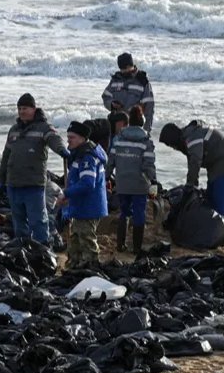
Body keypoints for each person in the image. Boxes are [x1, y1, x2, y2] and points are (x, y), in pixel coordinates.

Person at [0, 93, 70, 244]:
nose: (22, 111)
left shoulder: (44, 128)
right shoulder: (14, 130)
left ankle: (43, 251)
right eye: (19, 109)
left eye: (25, 108)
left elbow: (55, 140)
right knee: (19, 222)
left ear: (34, 109)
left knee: (38, 222)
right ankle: (23, 250)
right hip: (14, 184)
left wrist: (63, 151)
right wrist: (1, 179)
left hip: (33, 185)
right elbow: (6, 155)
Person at [58, 121, 108, 270]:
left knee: (86, 239)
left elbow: (87, 183)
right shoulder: (78, 155)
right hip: (80, 206)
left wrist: (66, 193)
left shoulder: (88, 158)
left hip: (89, 207)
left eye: (71, 137)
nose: (68, 140)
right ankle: (74, 265)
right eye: (68, 137)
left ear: (82, 138)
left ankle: (91, 267)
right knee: (75, 239)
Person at [108, 106, 157, 255]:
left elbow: (110, 162)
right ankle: (136, 248)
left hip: (122, 183)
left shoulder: (118, 139)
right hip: (139, 185)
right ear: (142, 121)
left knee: (124, 213)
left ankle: (120, 245)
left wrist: (105, 178)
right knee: (139, 214)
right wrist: (153, 181)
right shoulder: (146, 141)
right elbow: (148, 164)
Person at [159, 119, 224, 214]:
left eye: (171, 145)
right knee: (211, 195)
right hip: (214, 162)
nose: (173, 148)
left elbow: (195, 162)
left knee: (218, 196)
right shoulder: (188, 136)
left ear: (174, 139)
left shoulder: (192, 138)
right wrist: (192, 186)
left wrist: (190, 186)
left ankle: (220, 223)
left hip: (220, 160)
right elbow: (192, 165)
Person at [102, 52, 155, 132]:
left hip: (134, 126)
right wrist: (111, 104)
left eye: (124, 69)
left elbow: (149, 108)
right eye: (121, 69)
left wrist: (146, 131)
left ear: (130, 66)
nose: (122, 71)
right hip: (117, 126)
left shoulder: (143, 81)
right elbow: (105, 96)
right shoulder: (116, 79)